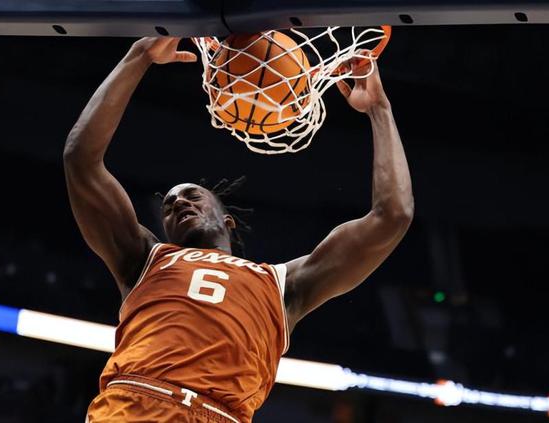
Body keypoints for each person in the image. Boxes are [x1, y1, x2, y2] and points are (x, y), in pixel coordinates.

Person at [64, 37, 413, 423]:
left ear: (226, 219)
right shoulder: (144, 258)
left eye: (192, 196)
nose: (178, 203)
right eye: (169, 206)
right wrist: (139, 56)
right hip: (135, 403)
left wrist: (379, 109)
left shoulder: (284, 285)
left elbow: (392, 216)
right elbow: (81, 160)